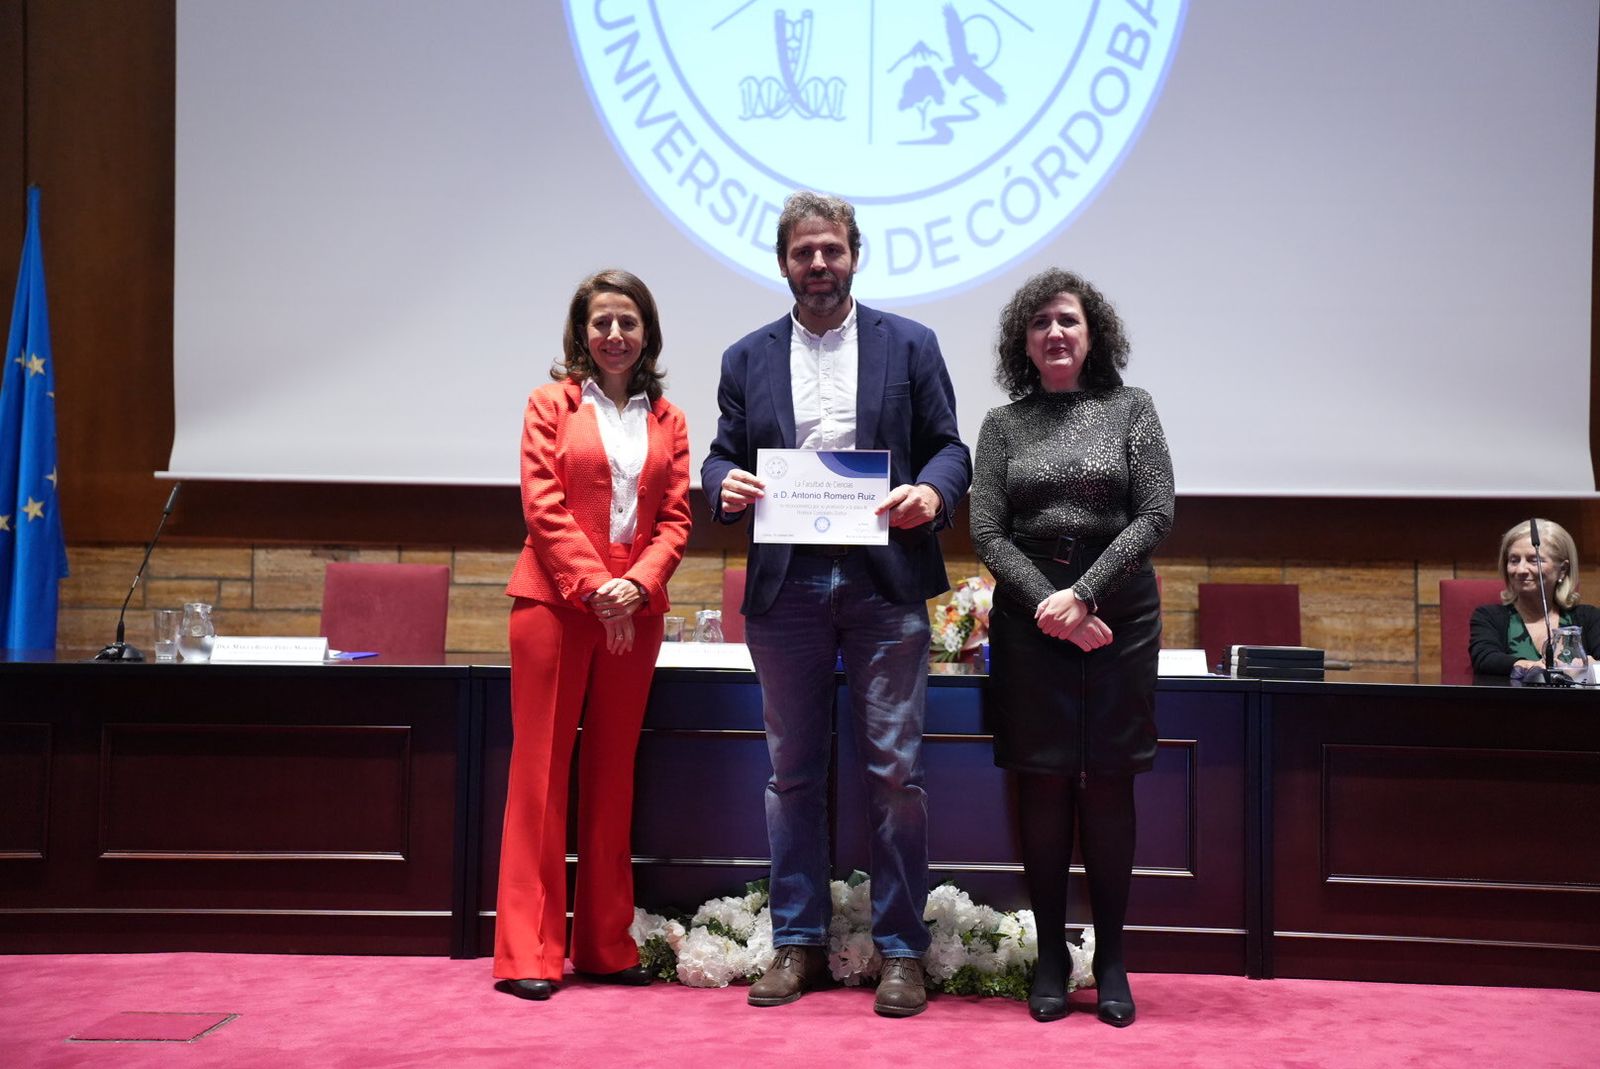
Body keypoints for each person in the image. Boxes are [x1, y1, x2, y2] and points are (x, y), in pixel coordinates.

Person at [702, 191, 971, 1018]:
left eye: (832, 250)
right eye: (802, 253)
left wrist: (932, 491)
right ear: (782, 261)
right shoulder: (746, 357)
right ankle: (798, 943)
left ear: (856, 255)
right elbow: (718, 458)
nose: (818, 265)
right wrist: (727, 485)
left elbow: (950, 449)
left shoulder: (911, 345)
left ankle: (900, 952)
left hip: (883, 583)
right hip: (786, 589)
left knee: (895, 772)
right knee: (791, 774)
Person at [969, 268, 1174, 1027]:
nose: (1055, 332)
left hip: (1118, 609)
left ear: (1094, 335)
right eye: (1041, 323)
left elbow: (1155, 513)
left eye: (1069, 320)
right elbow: (987, 529)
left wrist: (1084, 594)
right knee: (1043, 783)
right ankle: (1052, 954)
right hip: (1030, 615)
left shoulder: (1132, 408)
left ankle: (1113, 957)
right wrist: (1048, 604)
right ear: (1023, 341)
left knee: (1111, 781)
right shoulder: (1001, 423)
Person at [494, 269, 692, 1000]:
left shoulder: (668, 417)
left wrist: (632, 587)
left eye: (628, 323)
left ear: (648, 335)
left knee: (613, 775)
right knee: (540, 774)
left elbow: (675, 519)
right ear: (581, 332)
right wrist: (595, 589)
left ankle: (606, 943)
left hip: (634, 610)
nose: (614, 335)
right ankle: (526, 951)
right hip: (552, 603)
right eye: (601, 322)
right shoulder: (549, 403)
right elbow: (543, 507)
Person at [1468, 519, 1600, 676]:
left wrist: (1593, 666)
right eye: (1514, 560)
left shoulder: (1589, 618)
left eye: (1534, 560)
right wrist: (1533, 667)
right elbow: (1484, 659)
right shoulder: (1489, 616)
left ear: (1563, 570)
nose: (1521, 569)